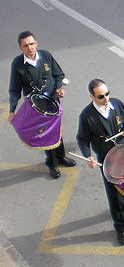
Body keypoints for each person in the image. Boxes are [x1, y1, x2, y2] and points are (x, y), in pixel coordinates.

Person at [76, 79, 124, 246]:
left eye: (107, 94)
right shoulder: (86, 116)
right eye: (100, 96)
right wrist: (88, 156)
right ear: (92, 96)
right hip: (108, 160)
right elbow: (82, 139)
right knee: (114, 193)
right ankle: (120, 227)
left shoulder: (117, 104)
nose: (106, 98)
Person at [8, 31, 76, 179]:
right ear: (21, 48)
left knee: (57, 131)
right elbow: (14, 89)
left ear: (36, 43)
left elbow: (58, 75)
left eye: (31, 44)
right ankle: (51, 163)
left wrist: (58, 88)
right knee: (44, 134)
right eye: (26, 45)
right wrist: (12, 110)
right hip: (36, 107)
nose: (30, 48)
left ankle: (61, 157)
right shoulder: (18, 64)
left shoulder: (46, 56)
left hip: (52, 101)